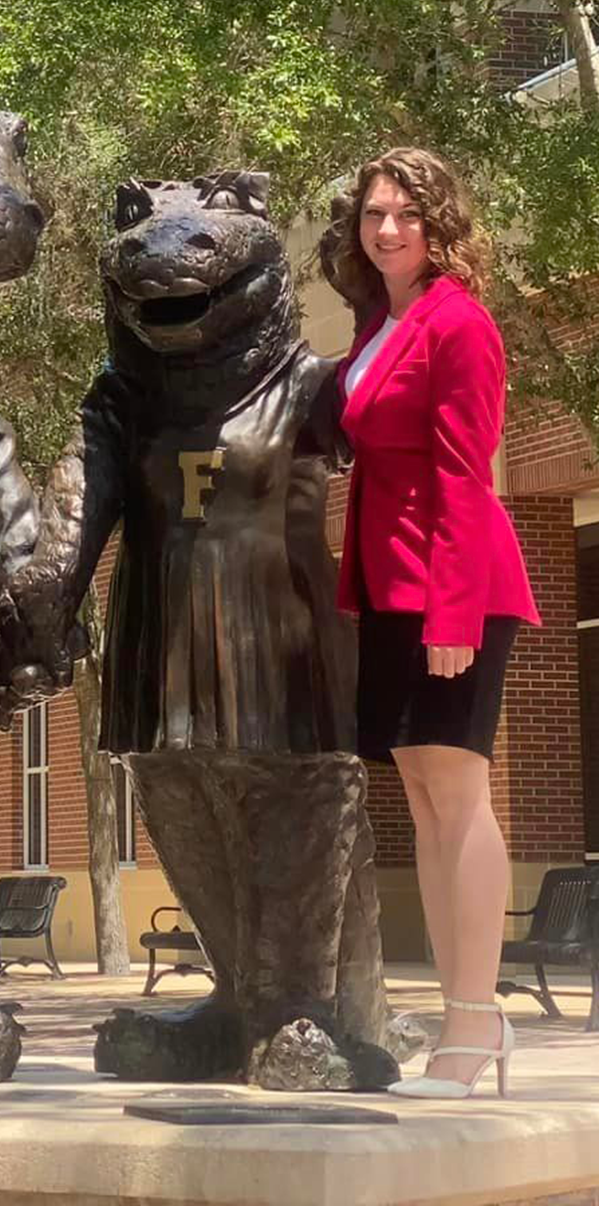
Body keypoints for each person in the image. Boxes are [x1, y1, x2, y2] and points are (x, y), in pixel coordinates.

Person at [328, 146, 539, 1099]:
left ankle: (475, 1023)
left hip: (453, 588)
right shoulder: (382, 321)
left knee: (459, 795)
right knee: (421, 797)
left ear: (438, 221)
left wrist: (450, 608)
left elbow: (465, 471)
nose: (385, 230)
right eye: (373, 214)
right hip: (388, 586)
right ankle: (467, 1017)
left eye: (404, 214)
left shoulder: (460, 324)